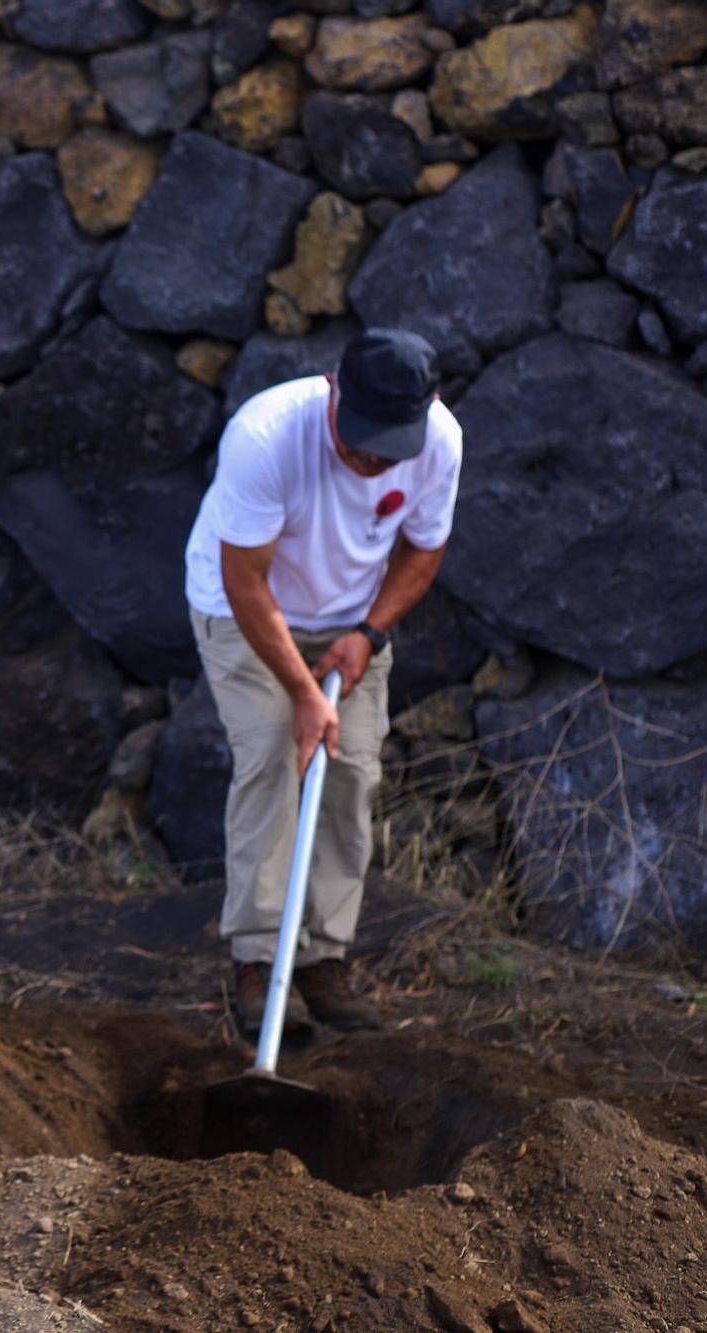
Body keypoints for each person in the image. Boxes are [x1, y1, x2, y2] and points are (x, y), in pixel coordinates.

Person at [182, 329, 462, 1041]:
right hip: (243, 610)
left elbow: (424, 552)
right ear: (334, 389)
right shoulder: (267, 435)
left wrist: (368, 634)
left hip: (351, 623)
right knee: (277, 754)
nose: (371, 458)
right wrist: (305, 694)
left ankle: (320, 959)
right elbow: (245, 581)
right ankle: (256, 957)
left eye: (389, 443)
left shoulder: (441, 444)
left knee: (352, 772)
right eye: (360, 436)